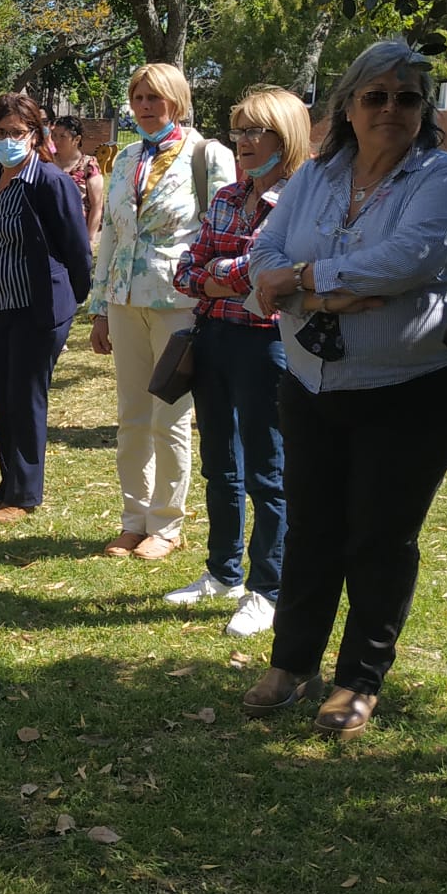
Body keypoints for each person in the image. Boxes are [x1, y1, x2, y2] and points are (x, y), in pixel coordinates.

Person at [239, 40, 447, 741]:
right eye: (376, 96)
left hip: (413, 390)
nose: (391, 110)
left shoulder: (441, 177)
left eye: (407, 98)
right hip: (312, 384)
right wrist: (323, 291)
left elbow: (406, 260)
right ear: (348, 105)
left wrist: (305, 282)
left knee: (378, 534)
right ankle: (292, 662)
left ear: (423, 109)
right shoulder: (318, 174)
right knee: (313, 524)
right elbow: (263, 254)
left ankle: (358, 680)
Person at [166, 85, 311, 638]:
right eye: (239, 131)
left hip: (267, 345)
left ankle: (266, 589)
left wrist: (213, 277)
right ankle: (222, 571)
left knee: (266, 471)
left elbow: (265, 270)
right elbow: (187, 267)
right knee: (219, 463)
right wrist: (216, 278)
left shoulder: (301, 199)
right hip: (215, 338)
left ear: (286, 136)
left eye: (256, 131)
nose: (244, 142)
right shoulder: (228, 196)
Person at [89, 63, 238, 560]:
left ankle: (167, 524)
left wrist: (215, 294)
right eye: (138, 97)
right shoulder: (127, 156)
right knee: (131, 415)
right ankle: (134, 519)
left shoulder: (206, 155)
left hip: (181, 303)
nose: (145, 106)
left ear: (177, 99)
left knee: (169, 415)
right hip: (124, 299)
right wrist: (100, 308)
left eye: (155, 97)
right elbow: (111, 233)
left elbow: (226, 228)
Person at [0, 92, 92, 524]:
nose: (7, 140)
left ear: (35, 136)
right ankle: (7, 484)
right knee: (3, 397)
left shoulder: (50, 181)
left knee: (26, 398)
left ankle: (24, 495)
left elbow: (76, 248)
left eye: (17, 133)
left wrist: (75, 299)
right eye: (0, 133)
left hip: (39, 308)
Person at [50, 116, 105, 241]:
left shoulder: (88, 165)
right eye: (54, 135)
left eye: (62, 136)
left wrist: (89, 239)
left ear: (76, 139)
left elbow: (97, 205)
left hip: (76, 236)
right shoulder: (47, 162)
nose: (56, 140)